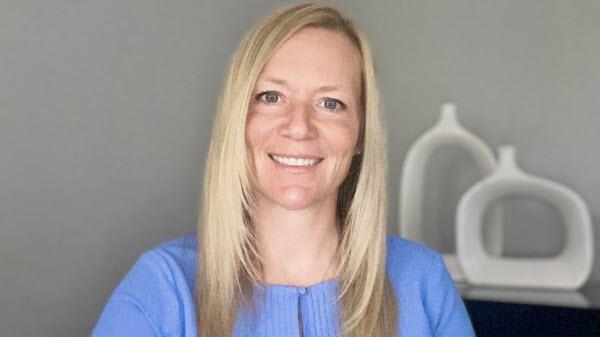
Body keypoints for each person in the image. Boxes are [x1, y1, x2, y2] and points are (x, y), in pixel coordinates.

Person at [91, 3, 475, 337]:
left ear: (360, 133)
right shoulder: (164, 286)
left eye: (330, 103)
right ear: (238, 122)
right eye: (271, 97)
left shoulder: (421, 280)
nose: (298, 126)